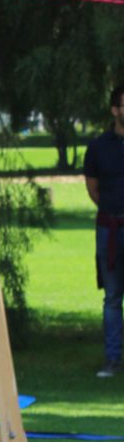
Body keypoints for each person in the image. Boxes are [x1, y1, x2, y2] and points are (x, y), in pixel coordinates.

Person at [84, 85, 124, 378]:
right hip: (110, 229)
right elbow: (93, 189)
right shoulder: (98, 147)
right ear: (115, 110)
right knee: (112, 297)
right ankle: (112, 359)